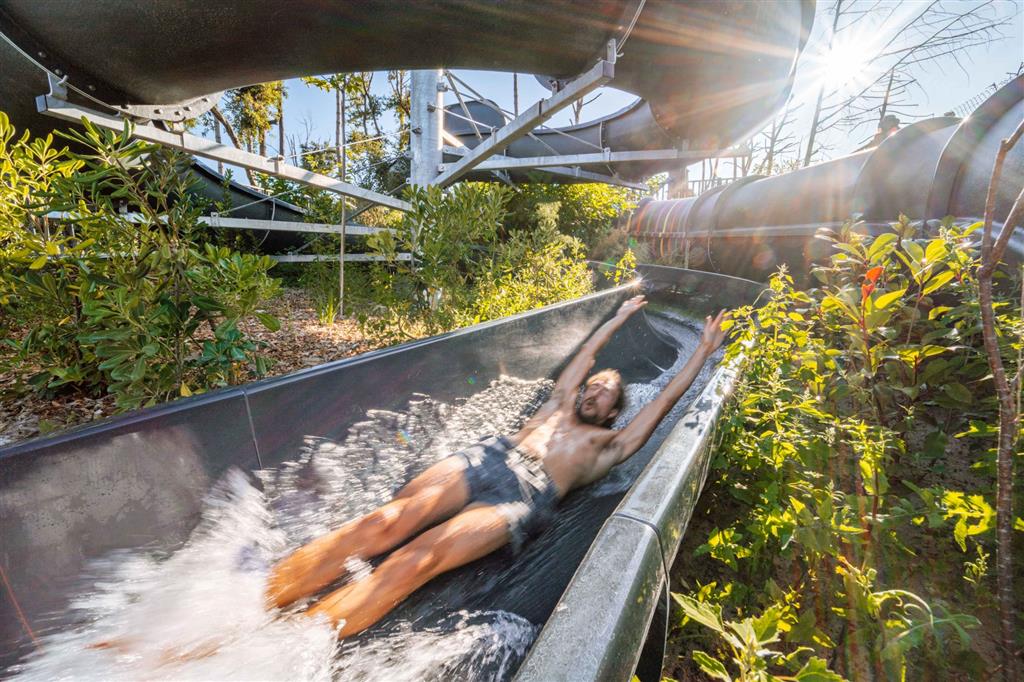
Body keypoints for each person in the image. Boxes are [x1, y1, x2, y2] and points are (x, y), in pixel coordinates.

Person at [267, 295, 728, 637]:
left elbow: (665, 400)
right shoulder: (557, 403)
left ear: (612, 413)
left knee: (418, 558)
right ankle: (261, 600)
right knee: (386, 520)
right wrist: (619, 316)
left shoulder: (609, 444)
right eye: (592, 385)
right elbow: (587, 353)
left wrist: (703, 352)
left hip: (524, 494)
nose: (594, 390)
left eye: (605, 392)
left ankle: (292, 644)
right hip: (489, 455)